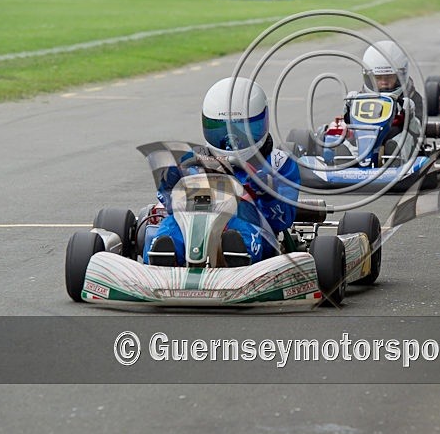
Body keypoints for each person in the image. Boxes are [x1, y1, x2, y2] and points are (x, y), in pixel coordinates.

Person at [144, 77, 300, 267]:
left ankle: (238, 257)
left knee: (241, 228)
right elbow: (171, 206)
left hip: (251, 221)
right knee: (173, 225)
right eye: (221, 128)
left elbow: (282, 220)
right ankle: (162, 258)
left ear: (262, 122)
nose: (231, 140)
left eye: (241, 129)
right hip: (195, 218)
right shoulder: (191, 160)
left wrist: (267, 193)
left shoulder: (278, 163)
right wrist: (169, 184)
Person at [329, 40, 422, 163]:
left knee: (399, 141)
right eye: (378, 78)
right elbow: (350, 125)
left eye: (389, 77)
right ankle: (347, 156)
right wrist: (348, 109)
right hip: (366, 134)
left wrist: (410, 114)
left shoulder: (413, 97)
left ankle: (395, 159)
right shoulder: (362, 96)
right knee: (350, 140)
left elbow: (419, 130)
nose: (384, 82)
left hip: (396, 135)